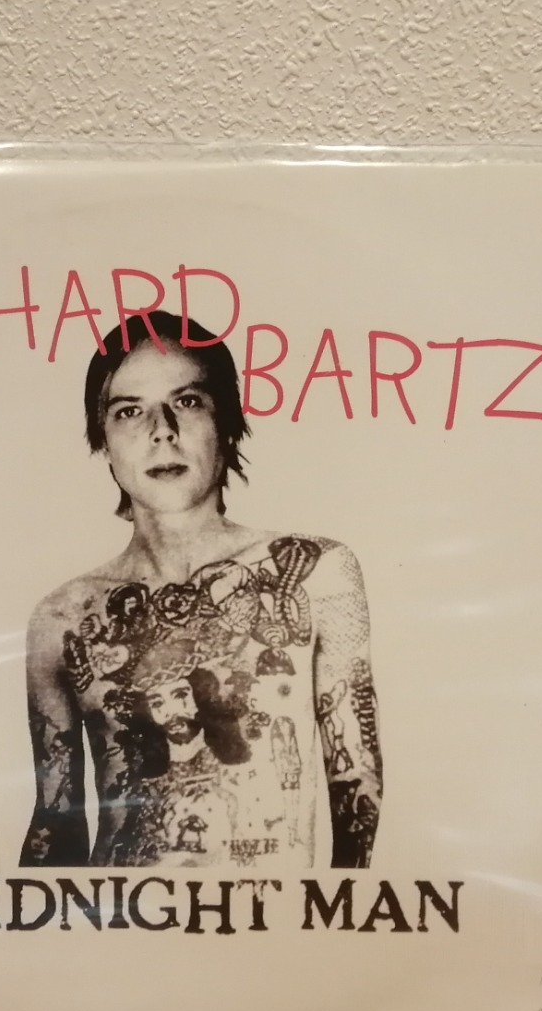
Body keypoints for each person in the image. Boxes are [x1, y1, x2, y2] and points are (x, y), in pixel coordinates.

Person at [19, 309, 382, 870]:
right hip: (117, 918)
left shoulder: (316, 572)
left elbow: (356, 784)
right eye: (129, 411)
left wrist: (333, 921)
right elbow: (55, 824)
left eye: (187, 401)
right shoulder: (63, 618)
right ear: (104, 442)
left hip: (268, 917)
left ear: (227, 423)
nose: (161, 430)